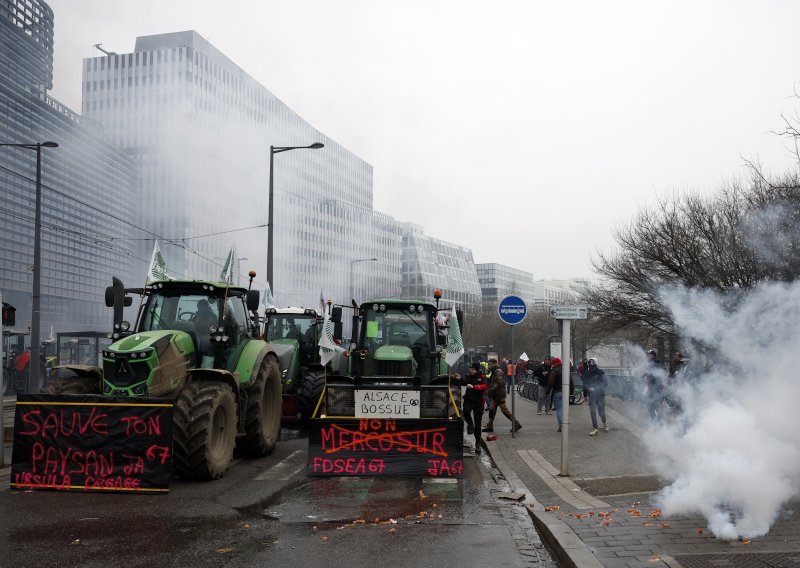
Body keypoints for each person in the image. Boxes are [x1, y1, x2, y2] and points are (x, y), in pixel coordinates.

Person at [484, 357, 522, 433]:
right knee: (492, 410)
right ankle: (489, 426)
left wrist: (491, 389)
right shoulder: (494, 371)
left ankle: (516, 424)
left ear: (494, 364)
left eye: (490, 364)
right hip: (495, 395)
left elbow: (500, 384)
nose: (489, 366)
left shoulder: (498, 372)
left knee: (504, 411)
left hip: (499, 395)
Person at [462, 362, 488, 452]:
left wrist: (474, 386)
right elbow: (464, 382)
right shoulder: (468, 376)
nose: (471, 370)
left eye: (472, 369)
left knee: (478, 424)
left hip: (478, 402)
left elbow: (484, 386)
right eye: (470, 369)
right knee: (465, 410)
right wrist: (458, 379)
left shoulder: (482, 377)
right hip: (469, 400)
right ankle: (470, 424)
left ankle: (478, 443)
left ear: (476, 370)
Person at [582, 358, 608, 435]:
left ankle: (605, 423)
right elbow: (585, 384)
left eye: (592, 363)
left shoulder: (600, 372)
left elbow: (605, 383)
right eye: (590, 363)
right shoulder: (587, 373)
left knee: (601, 412)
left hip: (600, 395)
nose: (591, 365)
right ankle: (595, 428)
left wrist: (596, 388)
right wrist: (586, 394)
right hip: (592, 396)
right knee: (593, 412)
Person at [546, 357, 573, 432]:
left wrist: (547, 391)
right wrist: (571, 391)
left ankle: (561, 425)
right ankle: (565, 423)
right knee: (565, 409)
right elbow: (571, 381)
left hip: (557, 392)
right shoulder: (566, 370)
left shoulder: (554, 371)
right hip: (566, 392)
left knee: (559, 410)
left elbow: (550, 382)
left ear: (554, 364)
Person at [643, 349, 667, 422]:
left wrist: (646, 375)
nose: (647, 355)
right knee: (658, 406)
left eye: (649, 354)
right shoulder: (658, 363)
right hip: (658, 388)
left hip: (653, 388)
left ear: (652, 355)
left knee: (651, 406)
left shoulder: (652, 364)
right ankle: (659, 422)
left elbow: (650, 376)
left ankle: (655, 422)